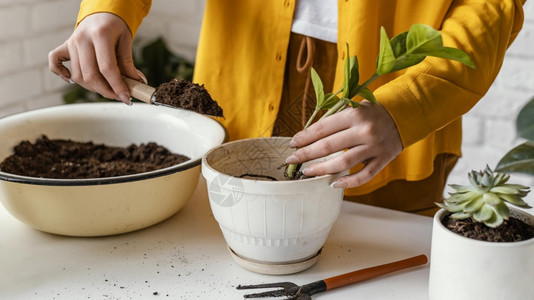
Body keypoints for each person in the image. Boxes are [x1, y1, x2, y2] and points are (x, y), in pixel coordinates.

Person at [49, 0, 525, 216]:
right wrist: (109, 7)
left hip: (389, 106)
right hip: (243, 75)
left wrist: (412, 102)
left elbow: (492, 5)